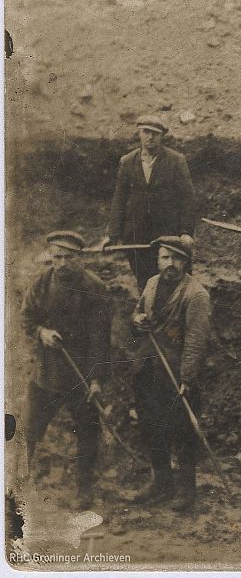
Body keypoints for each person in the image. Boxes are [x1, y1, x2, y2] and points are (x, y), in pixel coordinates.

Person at [21, 231, 112, 510]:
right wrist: (41, 332)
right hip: (47, 371)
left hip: (81, 374)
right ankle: (19, 478)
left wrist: (96, 379)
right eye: (57, 257)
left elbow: (101, 338)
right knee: (30, 427)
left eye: (69, 258)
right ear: (51, 257)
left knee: (87, 431)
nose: (61, 263)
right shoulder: (41, 282)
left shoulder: (94, 288)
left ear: (80, 258)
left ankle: (83, 487)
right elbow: (27, 317)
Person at [130, 236, 211, 512]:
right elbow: (138, 310)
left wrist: (187, 379)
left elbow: (196, 342)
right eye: (165, 257)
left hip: (177, 375)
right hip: (149, 370)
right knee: (151, 427)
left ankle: (186, 490)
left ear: (186, 263)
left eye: (176, 259)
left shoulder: (196, 294)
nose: (170, 264)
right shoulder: (152, 284)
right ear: (158, 260)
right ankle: (161, 481)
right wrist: (138, 319)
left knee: (183, 431)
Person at [105, 115, 197, 291]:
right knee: (144, 282)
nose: (150, 137)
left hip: (168, 234)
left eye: (155, 133)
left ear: (162, 136)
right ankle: (147, 315)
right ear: (139, 133)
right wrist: (114, 234)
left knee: (175, 278)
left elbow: (187, 198)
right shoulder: (127, 161)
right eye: (146, 132)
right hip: (136, 235)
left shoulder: (176, 160)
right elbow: (119, 198)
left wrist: (186, 232)